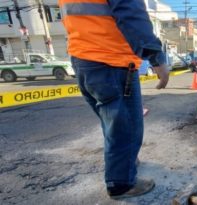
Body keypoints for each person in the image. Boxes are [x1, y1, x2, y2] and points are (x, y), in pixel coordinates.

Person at [59, 0, 169, 198]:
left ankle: (125, 162)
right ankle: (121, 184)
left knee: (112, 122)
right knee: (126, 127)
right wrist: (156, 57)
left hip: (83, 59)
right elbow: (130, 12)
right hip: (111, 60)